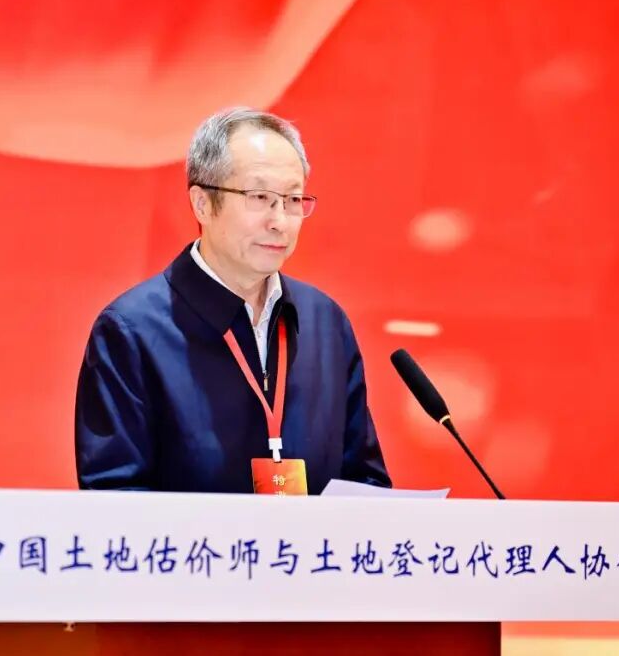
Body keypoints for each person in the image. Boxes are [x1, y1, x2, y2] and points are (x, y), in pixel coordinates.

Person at [74, 107, 391, 494]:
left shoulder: (325, 323)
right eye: (259, 197)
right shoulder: (131, 331)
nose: (279, 221)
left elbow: (365, 483)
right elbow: (114, 498)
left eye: (292, 199)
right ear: (203, 204)